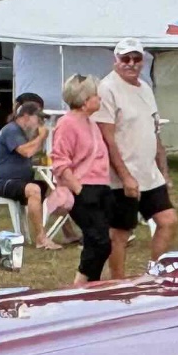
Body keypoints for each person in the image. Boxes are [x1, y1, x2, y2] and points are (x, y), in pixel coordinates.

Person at [96, 38, 175, 277]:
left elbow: (154, 130)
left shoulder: (145, 87)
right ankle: (118, 283)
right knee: (120, 234)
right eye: (125, 59)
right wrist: (125, 176)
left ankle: (153, 274)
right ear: (116, 60)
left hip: (149, 173)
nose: (131, 63)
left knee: (168, 221)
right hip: (122, 176)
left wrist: (164, 169)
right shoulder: (107, 88)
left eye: (136, 59)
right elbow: (107, 137)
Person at [51, 74, 114, 285]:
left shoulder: (90, 123)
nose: (100, 99)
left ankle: (90, 286)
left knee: (99, 243)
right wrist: (79, 189)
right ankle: (80, 285)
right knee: (99, 241)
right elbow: (59, 161)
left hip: (100, 188)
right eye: (96, 96)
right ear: (85, 100)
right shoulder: (67, 124)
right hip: (82, 190)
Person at [0, 99, 52, 245]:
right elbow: (26, 151)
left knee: (52, 189)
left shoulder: (22, 133)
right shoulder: (12, 130)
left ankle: (67, 233)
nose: (40, 123)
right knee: (34, 190)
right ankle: (41, 238)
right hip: (1, 181)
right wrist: (41, 137)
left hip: (18, 180)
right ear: (26, 117)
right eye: (39, 119)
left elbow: (26, 155)